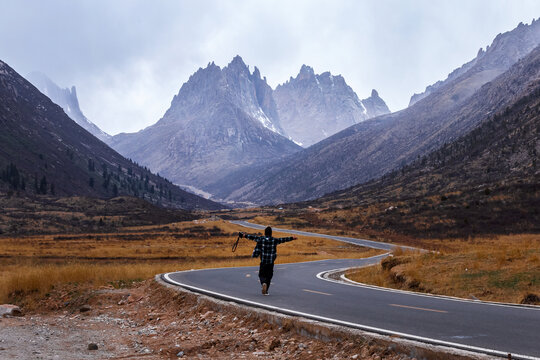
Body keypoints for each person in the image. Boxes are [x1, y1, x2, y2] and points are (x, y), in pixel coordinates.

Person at [239, 226, 297, 295]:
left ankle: (263, 283)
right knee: (269, 276)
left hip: (263, 261)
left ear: (265, 233)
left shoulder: (261, 239)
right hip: (271, 262)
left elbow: (252, 237)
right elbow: (283, 239)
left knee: (261, 274)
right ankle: (266, 291)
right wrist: (292, 238)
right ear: (271, 233)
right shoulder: (274, 240)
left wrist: (243, 235)